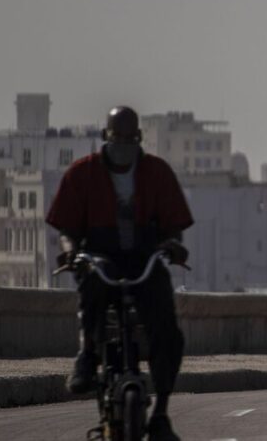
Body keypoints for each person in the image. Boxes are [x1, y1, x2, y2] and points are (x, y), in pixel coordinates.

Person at [48, 106, 193, 441]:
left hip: (143, 259)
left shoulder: (157, 173)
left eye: (130, 139)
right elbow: (67, 227)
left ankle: (160, 412)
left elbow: (174, 226)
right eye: (118, 138)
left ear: (139, 139)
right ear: (106, 138)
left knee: (166, 329)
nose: (124, 145)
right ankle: (87, 357)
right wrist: (73, 251)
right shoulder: (81, 174)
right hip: (101, 257)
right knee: (94, 287)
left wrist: (171, 245)